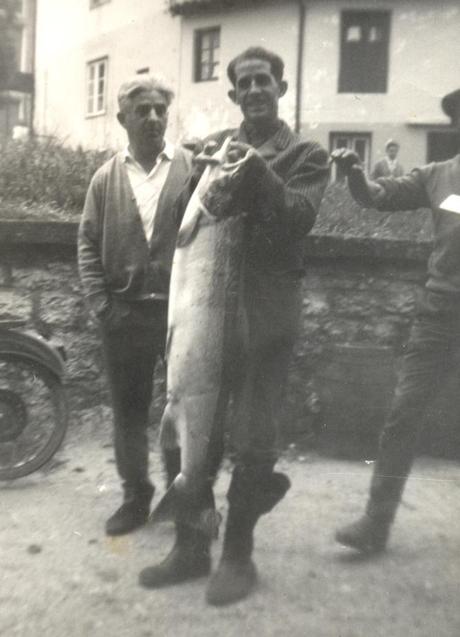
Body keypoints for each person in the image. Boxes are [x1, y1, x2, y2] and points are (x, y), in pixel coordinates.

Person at [138, 47, 330, 605]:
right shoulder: (218, 149)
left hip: (266, 321)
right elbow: (179, 226)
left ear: (282, 87)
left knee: (253, 437)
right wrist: (194, 176)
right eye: (243, 83)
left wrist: (257, 170)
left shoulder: (307, 156)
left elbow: (298, 218)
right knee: (185, 421)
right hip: (206, 316)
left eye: (264, 81)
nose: (254, 90)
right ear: (233, 94)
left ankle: (238, 555)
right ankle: (190, 547)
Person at [331, 87, 460, 554]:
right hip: (440, 316)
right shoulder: (441, 176)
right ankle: (376, 522)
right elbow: (379, 196)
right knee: (403, 415)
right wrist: (357, 178)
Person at [78, 76, 192, 536]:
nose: (152, 118)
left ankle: (183, 494)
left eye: (160, 110)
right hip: (123, 315)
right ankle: (134, 497)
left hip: (180, 314)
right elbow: (86, 244)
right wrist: (102, 307)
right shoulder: (105, 178)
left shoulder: (188, 168)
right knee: (128, 410)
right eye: (141, 111)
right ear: (122, 119)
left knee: (181, 407)